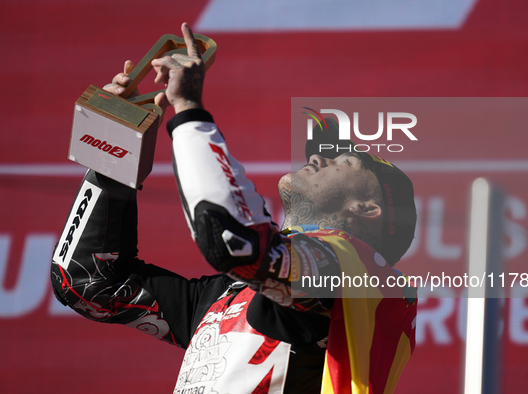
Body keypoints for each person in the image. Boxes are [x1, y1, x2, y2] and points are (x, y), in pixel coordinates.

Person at [51, 23, 418, 394]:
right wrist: (116, 155)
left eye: (346, 162)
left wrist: (188, 108)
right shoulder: (234, 292)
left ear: (368, 208)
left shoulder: (358, 276)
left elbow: (233, 241)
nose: (323, 159)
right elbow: (89, 283)